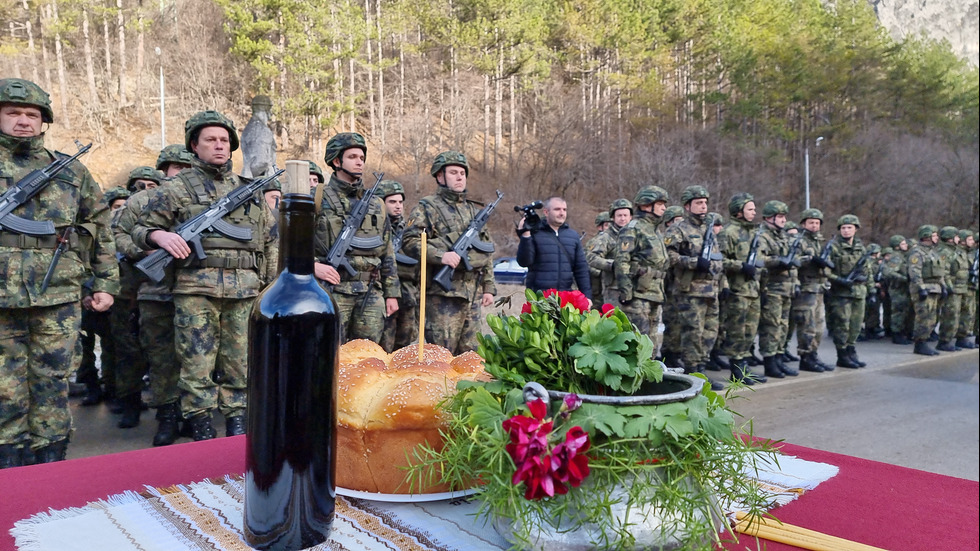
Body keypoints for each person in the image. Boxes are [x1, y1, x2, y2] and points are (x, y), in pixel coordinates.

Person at [133, 110, 278, 441]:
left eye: (224, 140)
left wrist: (269, 288)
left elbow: (270, 241)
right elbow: (140, 228)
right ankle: (200, 425)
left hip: (244, 292)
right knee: (196, 364)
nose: (219, 146)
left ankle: (238, 423)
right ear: (194, 146)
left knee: (240, 364)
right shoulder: (175, 189)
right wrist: (160, 237)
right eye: (210, 140)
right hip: (196, 291)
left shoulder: (250, 190)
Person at [0, 78, 118, 467]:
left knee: (53, 381)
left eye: (31, 115)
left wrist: (104, 283)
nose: (23, 122)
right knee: (4, 386)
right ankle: (9, 461)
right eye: (13, 113)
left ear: (43, 121)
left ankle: (51, 459)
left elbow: (99, 226)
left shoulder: (69, 172)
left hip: (57, 293)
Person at [115, 162, 183, 445]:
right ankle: (167, 416)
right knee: (160, 357)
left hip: (197, 289)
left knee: (197, 359)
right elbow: (119, 235)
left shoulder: (204, 196)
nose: (178, 172)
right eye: (174, 167)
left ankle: (193, 414)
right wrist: (145, 250)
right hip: (155, 291)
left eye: (184, 167)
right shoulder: (141, 201)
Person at [403, 151, 496, 355]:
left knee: (472, 358)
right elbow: (409, 241)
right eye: (453, 172)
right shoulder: (427, 207)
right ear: (440, 176)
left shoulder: (473, 210)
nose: (460, 176)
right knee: (442, 356)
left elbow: (485, 249)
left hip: (471, 295)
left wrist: (488, 286)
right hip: (442, 297)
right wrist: (440, 255)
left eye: (463, 172)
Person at [312, 132, 399, 343]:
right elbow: (292, 245)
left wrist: (392, 292)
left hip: (370, 291)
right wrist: (312, 266)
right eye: (352, 157)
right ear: (336, 160)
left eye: (361, 158)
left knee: (367, 358)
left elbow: (387, 250)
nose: (359, 162)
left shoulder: (377, 204)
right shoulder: (317, 197)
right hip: (332, 289)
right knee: (330, 353)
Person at [663, 185, 725, 389]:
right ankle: (694, 372)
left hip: (711, 289)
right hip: (690, 291)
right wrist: (692, 263)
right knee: (693, 333)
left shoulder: (707, 229)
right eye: (699, 203)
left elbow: (717, 257)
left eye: (705, 202)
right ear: (688, 206)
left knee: (710, 332)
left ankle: (702, 366)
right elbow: (668, 256)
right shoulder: (678, 229)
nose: (703, 206)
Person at [613, 186, 670, 358]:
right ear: (646, 205)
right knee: (638, 342)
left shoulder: (654, 229)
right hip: (638, 295)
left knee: (651, 343)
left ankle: (648, 378)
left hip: (655, 293)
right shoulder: (633, 228)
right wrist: (626, 291)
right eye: (659, 204)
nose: (664, 208)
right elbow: (622, 260)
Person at [717, 193, 766, 385]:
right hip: (737, 290)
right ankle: (736, 368)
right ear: (739, 212)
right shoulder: (728, 232)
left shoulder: (754, 232)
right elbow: (720, 261)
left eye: (754, 209)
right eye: (750, 209)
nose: (754, 212)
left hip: (753, 290)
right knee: (737, 330)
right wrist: (741, 266)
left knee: (750, 330)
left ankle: (744, 366)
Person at [517, 196, 592, 299]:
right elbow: (524, 262)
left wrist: (587, 297)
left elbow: (581, 269)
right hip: (540, 298)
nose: (562, 213)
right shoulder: (535, 233)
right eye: (557, 209)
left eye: (564, 209)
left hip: (566, 297)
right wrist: (525, 235)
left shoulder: (573, 236)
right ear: (546, 212)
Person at [756, 200, 799, 378]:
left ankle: (779, 359)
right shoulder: (763, 236)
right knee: (771, 327)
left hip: (786, 288)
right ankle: (770, 362)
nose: (783, 220)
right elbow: (760, 260)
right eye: (779, 217)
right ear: (769, 218)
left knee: (783, 326)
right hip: (771, 287)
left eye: (784, 217)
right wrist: (778, 261)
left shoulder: (783, 236)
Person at [825, 214, 873, 368]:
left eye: (849, 228)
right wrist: (839, 280)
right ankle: (842, 355)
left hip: (859, 291)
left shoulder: (860, 247)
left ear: (856, 229)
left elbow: (868, 270)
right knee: (842, 325)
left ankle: (852, 351)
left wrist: (871, 289)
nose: (846, 231)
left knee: (856, 325)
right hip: (841, 293)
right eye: (843, 228)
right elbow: (825, 271)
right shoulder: (833, 247)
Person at [378, 180, 420, 352]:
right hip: (383, 294)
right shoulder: (375, 228)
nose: (398, 206)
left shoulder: (410, 229)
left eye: (400, 202)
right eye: (392, 202)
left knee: (404, 346)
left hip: (408, 295)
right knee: (383, 346)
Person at [792, 208, 834, 372]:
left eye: (817, 223)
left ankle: (813, 354)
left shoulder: (818, 241)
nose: (814, 226)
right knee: (807, 326)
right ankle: (805, 356)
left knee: (818, 326)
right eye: (811, 223)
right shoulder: (798, 240)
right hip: (805, 288)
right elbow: (793, 261)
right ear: (803, 223)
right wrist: (810, 259)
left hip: (818, 288)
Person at [908, 225, 945, 356]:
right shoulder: (917, 252)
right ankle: (919, 343)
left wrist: (943, 286)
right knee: (923, 317)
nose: (937, 238)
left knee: (932, 317)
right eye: (934, 235)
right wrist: (921, 288)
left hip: (935, 288)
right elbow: (914, 272)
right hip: (923, 288)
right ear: (927, 236)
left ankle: (925, 340)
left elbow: (940, 272)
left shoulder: (933, 252)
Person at [586, 201, 630, 305]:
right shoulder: (606, 237)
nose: (623, 219)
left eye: (625, 215)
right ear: (613, 218)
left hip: (634, 287)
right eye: (619, 215)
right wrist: (612, 265)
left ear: (630, 217)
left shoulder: (636, 235)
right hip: (614, 289)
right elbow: (591, 258)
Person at [936, 226, 965, 352]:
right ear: (950, 238)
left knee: (955, 315)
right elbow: (944, 271)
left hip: (958, 288)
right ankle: (944, 341)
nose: (959, 239)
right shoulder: (944, 252)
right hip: (951, 288)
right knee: (949, 315)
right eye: (956, 236)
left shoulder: (954, 251)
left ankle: (950, 340)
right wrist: (949, 287)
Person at [883, 235, 913, 345]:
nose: (906, 245)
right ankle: (896, 334)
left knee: (905, 311)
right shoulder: (896, 257)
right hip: (898, 289)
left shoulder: (903, 256)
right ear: (897, 246)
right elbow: (888, 272)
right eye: (903, 244)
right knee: (898, 312)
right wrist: (903, 278)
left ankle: (903, 332)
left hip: (904, 289)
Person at [955, 229, 978, 349]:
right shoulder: (958, 253)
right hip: (960, 287)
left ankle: (963, 336)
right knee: (958, 313)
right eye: (969, 239)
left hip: (969, 287)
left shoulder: (970, 253)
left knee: (968, 313)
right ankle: (957, 337)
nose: (972, 241)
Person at [584, 211, 613, 302]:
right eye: (607, 225)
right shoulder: (593, 242)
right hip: (597, 287)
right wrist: (601, 272)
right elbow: (586, 263)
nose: (610, 228)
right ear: (600, 227)